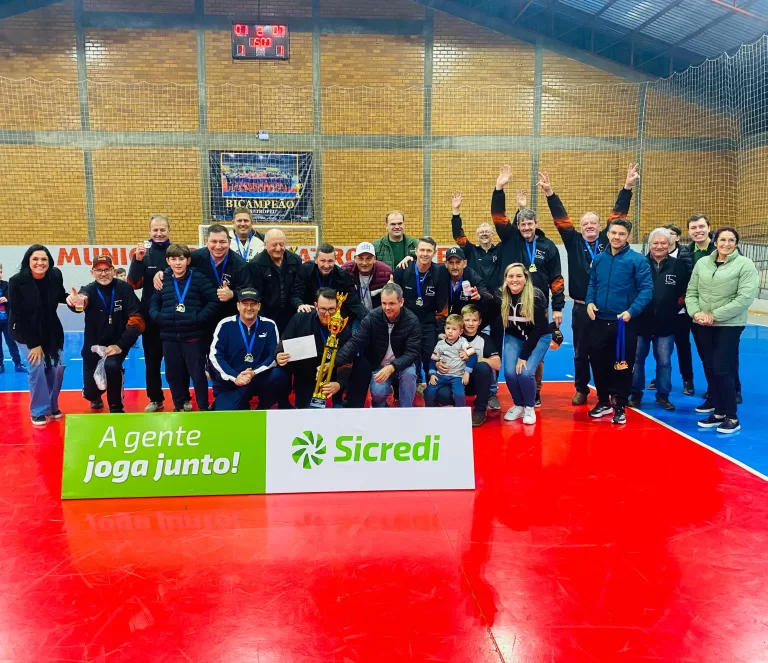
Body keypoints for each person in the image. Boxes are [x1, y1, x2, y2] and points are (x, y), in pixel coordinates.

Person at [537, 165, 639, 405]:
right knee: (581, 352)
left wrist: (627, 188)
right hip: (582, 307)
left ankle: (612, 390)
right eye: (586, 224)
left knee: (611, 351)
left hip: (607, 308)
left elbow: (618, 215)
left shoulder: (607, 239)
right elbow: (561, 220)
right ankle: (581, 388)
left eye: (594, 223)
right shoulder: (572, 241)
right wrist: (550, 194)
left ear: (599, 225)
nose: (590, 227)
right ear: (581, 227)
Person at [492, 166, 565, 407]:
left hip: (538, 305)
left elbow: (556, 278)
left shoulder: (548, 246)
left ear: (536, 223)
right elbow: (498, 217)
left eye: (529, 224)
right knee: (515, 348)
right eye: (521, 224)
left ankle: (535, 391)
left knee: (536, 354)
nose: (525, 228)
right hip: (512, 305)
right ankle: (521, 392)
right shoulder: (511, 238)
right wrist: (499, 188)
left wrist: (558, 308)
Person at [686, 227, 758, 433]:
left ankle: (732, 416)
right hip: (702, 323)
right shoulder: (703, 263)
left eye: (731, 240)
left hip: (729, 324)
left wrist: (714, 315)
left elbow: (744, 298)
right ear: (715, 242)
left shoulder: (745, 265)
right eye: (723, 240)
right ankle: (718, 412)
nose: (727, 244)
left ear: (737, 243)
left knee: (721, 367)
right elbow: (691, 291)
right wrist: (696, 313)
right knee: (709, 366)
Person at [586, 218, 653, 425]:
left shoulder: (638, 260)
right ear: (607, 234)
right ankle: (603, 401)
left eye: (621, 234)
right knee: (598, 363)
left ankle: (620, 406)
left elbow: (646, 290)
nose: (616, 237)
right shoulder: (599, 259)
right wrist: (589, 302)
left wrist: (631, 311)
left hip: (624, 323)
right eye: (613, 233)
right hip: (599, 321)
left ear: (628, 237)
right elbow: (593, 284)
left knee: (622, 366)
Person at [66, 255, 144, 413]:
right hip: (93, 345)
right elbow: (81, 302)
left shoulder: (124, 289)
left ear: (113, 271)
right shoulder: (88, 289)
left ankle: (116, 407)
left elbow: (137, 319)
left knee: (112, 366)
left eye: (107, 269)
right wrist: (76, 302)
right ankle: (94, 395)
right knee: (90, 392)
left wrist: (121, 345)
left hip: (116, 343)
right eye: (99, 270)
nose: (103, 273)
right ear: (92, 272)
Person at [128, 213, 187, 412]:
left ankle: (184, 397)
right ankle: (155, 398)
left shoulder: (178, 252)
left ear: (169, 230)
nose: (159, 233)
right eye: (155, 230)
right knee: (152, 360)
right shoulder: (144, 254)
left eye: (163, 230)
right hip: (151, 317)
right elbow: (133, 284)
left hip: (176, 315)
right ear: (150, 231)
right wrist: (137, 261)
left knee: (179, 360)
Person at [274, 287, 371, 409]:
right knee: (307, 411)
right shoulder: (300, 319)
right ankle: (284, 404)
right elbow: (284, 342)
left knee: (362, 365)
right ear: (315, 305)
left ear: (337, 308)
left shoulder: (343, 327)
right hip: (307, 373)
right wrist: (278, 354)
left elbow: (348, 359)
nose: (327, 314)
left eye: (332, 309)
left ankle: (351, 407)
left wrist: (339, 384)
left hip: (333, 372)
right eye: (323, 309)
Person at [149, 244, 219, 412]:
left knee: (197, 375)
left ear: (188, 260)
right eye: (173, 259)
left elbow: (214, 301)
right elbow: (153, 302)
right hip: (169, 336)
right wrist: (157, 316)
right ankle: (178, 405)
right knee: (173, 375)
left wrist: (198, 318)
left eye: (181, 259)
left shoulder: (199, 278)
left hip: (193, 336)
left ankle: (203, 407)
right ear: (168, 261)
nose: (178, 263)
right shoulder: (163, 279)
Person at [628, 229, 689, 411]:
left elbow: (684, 293)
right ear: (650, 244)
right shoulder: (639, 263)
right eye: (656, 243)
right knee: (637, 360)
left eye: (664, 243)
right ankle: (636, 394)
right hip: (640, 322)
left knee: (664, 361)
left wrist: (671, 311)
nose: (659, 246)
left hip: (666, 324)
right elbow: (631, 290)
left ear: (669, 245)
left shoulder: (678, 266)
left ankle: (663, 395)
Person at [153, 224, 252, 334]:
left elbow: (248, 291)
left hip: (228, 317)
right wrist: (163, 272)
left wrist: (233, 294)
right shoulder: (195, 257)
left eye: (222, 242)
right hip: (203, 317)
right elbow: (178, 264)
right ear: (206, 241)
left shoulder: (240, 264)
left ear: (229, 242)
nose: (218, 246)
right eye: (214, 241)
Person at [334, 283, 422, 408]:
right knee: (378, 394)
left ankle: (406, 410)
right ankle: (379, 408)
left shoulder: (412, 321)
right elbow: (355, 342)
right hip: (378, 365)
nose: (387, 308)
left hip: (403, 365)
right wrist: (333, 362)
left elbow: (412, 353)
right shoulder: (372, 317)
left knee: (410, 374)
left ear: (401, 302)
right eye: (384, 303)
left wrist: (392, 367)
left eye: (391, 304)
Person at [9, 245, 68, 425]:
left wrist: (71, 300)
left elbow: (60, 295)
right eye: (35, 259)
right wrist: (34, 344)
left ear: (49, 262)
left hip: (51, 330)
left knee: (58, 368)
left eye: (44, 259)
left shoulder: (55, 275)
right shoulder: (16, 281)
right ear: (28, 261)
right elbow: (18, 315)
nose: (40, 263)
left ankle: (52, 405)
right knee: (38, 366)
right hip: (25, 331)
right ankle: (39, 410)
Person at [686, 213, 741, 404]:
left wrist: (715, 314)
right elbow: (690, 285)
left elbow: (740, 292)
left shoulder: (728, 252)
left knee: (728, 356)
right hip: (698, 313)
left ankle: (733, 390)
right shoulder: (688, 252)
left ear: (709, 229)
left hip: (726, 318)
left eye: (701, 226)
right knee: (707, 356)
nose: (698, 231)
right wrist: (695, 311)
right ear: (689, 232)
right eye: (693, 228)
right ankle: (714, 392)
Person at [208, 288, 288, 411]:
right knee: (228, 416)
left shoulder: (269, 325)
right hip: (233, 382)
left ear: (259, 306)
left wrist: (253, 373)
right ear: (238, 306)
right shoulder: (225, 324)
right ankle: (235, 402)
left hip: (258, 377)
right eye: (245, 304)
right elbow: (215, 356)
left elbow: (273, 355)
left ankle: (263, 406)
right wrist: (235, 377)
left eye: (253, 304)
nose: (249, 308)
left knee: (279, 375)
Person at [497, 263, 551, 425]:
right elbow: (487, 311)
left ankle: (529, 406)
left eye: (519, 276)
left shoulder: (535, 296)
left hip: (539, 336)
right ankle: (518, 404)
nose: (515, 280)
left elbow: (540, 327)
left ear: (526, 278)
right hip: (514, 337)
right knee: (509, 373)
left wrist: (523, 356)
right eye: (510, 276)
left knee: (525, 373)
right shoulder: (501, 295)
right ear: (505, 279)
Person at [394, 236, 448, 392]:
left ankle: (433, 386)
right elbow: (396, 297)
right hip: (406, 322)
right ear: (416, 251)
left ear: (434, 253)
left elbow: (442, 304)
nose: (425, 254)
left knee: (429, 355)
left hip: (428, 322)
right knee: (409, 355)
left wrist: (440, 328)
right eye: (422, 250)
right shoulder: (402, 270)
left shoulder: (440, 272)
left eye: (429, 251)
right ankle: (411, 385)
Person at [292, 242, 368, 323]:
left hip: (333, 318)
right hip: (310, 316)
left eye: (330, 261)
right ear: (316, 260)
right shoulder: (305, 270)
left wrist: (369, 318)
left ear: (335, 260)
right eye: (323, 261)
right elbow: (296, 293)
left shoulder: (342, 276)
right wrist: (300, 304)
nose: (326, 265)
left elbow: (353, 302)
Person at [661, 222, 695, 395]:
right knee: (661, 348)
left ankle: (687, 379)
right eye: (665, 233)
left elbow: (690, 281)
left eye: (672, 233)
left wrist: (680, 303)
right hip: (661, 312)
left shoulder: (685, 255)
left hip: (680, 311)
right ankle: (660, 378)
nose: (668, 236)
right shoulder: (655, 254)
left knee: (683, 345)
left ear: (678, 237)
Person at [249, 228, 303, 332]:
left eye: (281, 244)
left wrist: (299, 305)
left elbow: (299, 288)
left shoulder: (296, 260)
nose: (278, 248)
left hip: (291, 315)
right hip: (267, 316)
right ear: (265, 245)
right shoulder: (255, 265)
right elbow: (257, 295)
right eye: (274, 245)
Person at [424, 313, 477, 408]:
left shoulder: (463, 342)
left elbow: (473, 356)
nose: (450, 332)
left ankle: (460, 414)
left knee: (459, 395)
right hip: (441, 375)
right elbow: (433, 359)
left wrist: (467, 372)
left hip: (457, 377)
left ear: (460, 331)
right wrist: (432, 374)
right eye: (448, 328)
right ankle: (430, 411)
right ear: (444, 329)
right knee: (428, 391)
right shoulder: (440, 344)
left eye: (454, 329)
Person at [341, 242, 393, 312]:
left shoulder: (386, 272)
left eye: (368, 259)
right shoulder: (346, 271)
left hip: (378, 316)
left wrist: (391, 290)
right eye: (360, 259)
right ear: (355, 259)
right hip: (354, 315)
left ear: (374, 259)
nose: (364, 263)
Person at [0, 262, 27, 374]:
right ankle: (0, 365)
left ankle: (18, 364)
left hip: (8, 320)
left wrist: (7, 300)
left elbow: (16, 299)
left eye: (0, 272)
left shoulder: (7, 285)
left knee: (12, 343)